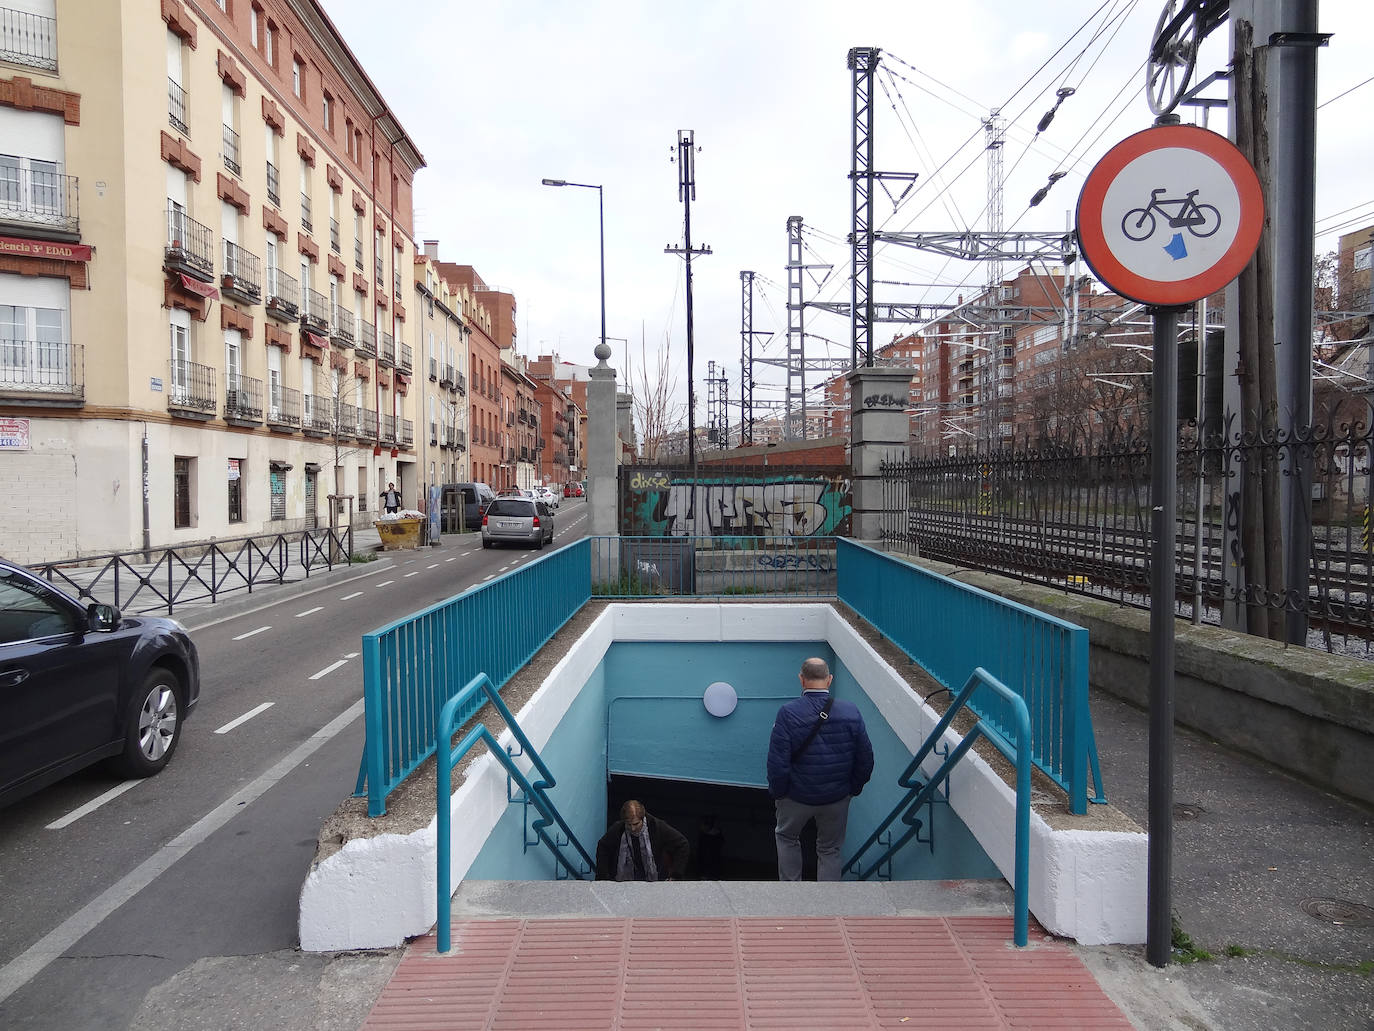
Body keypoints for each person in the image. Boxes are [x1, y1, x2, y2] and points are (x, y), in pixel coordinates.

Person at [766, 656, 874, 881]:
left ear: (801, 680)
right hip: (836, 797)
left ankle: (791, 891)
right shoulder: (850, 711)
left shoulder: (788, 713)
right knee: (829, 849)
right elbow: (865, 759)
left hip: (796, 796)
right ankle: (828, 903)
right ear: (830, 679)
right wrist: (851, 789)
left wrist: (780, 793)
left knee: (787, 837)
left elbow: (778, 763)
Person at [594, 799, 689, 882]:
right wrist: (603, 877)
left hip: (655, 878)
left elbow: (682, 844)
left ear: (643, 819)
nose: (632, 829)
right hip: (628, 880)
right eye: (629, 824)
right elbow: (603, 846)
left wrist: (676, 875)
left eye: (636, 824)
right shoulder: (619, 828)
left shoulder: (657, 827)